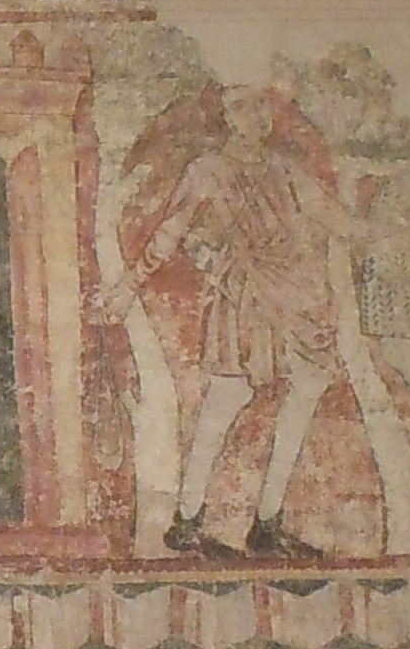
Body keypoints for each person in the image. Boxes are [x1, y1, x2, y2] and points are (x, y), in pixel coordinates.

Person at [112, 81, 356, 560]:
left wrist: (398, 228)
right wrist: (127, 287)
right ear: (228, 115)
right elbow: (170, 233)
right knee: (226, 399)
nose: (258, 116)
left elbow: (336, 218)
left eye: (263, 106)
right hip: (242, 294)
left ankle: (267, 521)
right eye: (245, 107)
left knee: (307, 385)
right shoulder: (208, 170)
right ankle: (187, 520)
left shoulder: (283, 169)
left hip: (290, 294)